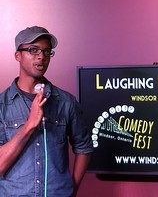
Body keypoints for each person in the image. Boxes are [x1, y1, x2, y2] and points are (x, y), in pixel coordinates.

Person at [0, 26, 93, 196]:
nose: (41, 56)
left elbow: (84, 148)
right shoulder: (1, 106)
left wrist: (72, 189)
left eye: (46, 51)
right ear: (18, 55)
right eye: (33, 50)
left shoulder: (66, 102)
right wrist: (29, 125)